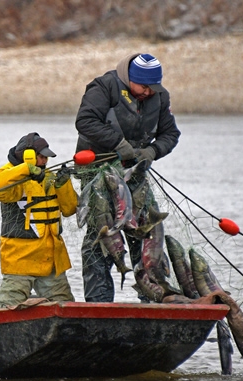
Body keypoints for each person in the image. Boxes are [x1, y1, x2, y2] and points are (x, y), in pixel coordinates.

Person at [74, 53, 181, 303]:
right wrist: (117, 143)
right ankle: (99, 302)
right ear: (130, 79)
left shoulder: (159, 96)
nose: (148, 92)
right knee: (101, 235)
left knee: (148, 230)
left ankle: (154, 296)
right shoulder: (104, 87)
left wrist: (153, 151)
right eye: (144, 87)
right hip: (98, 172)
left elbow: (171, 134)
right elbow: (85, 121)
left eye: (153, 88)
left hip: (136, 175)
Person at [0, 132, 78, 308]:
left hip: (51, 258)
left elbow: (69, 209)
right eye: (41, 157)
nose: (45, 161)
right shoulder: (10, 175)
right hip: (20, 258)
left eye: (46, 158)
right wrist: (27, 169)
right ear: (28, 156)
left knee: (64, 306)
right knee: (8, 308)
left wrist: (63, 184)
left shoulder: (49, 177)